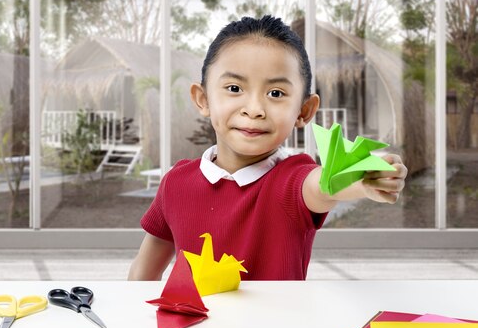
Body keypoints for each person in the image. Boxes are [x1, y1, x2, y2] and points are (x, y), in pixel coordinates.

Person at [128, 15, 407, 281]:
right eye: (234, 88)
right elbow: (143, 275)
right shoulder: (175, 183)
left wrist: (363, 182)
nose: (254, 110)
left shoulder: (293, 180)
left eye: (276, 93)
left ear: (304, 110)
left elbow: (323, 185)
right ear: (203, 99)